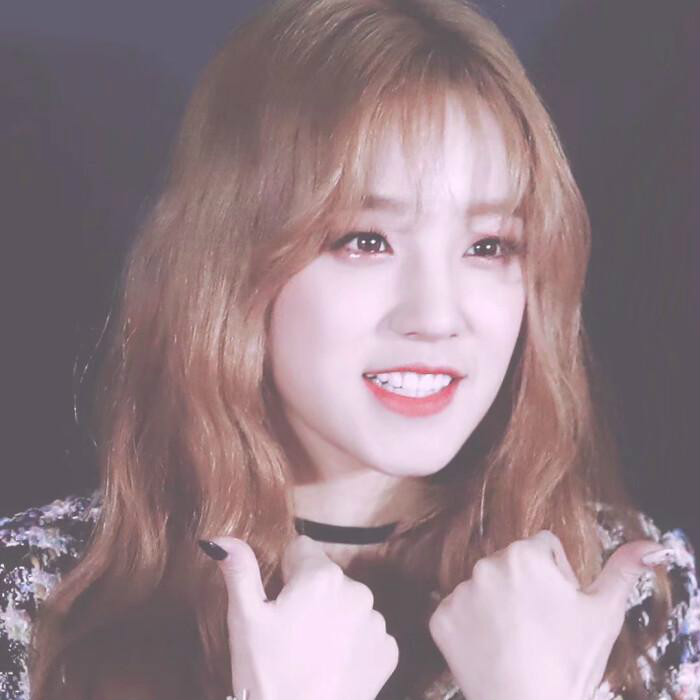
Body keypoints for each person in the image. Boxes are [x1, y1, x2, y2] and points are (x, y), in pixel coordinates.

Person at [1, 0, 698, 698]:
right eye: (366, 241)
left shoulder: (637, 600)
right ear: (232, 259)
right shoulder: (40, 601)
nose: (436, 318)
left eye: (489, 246)